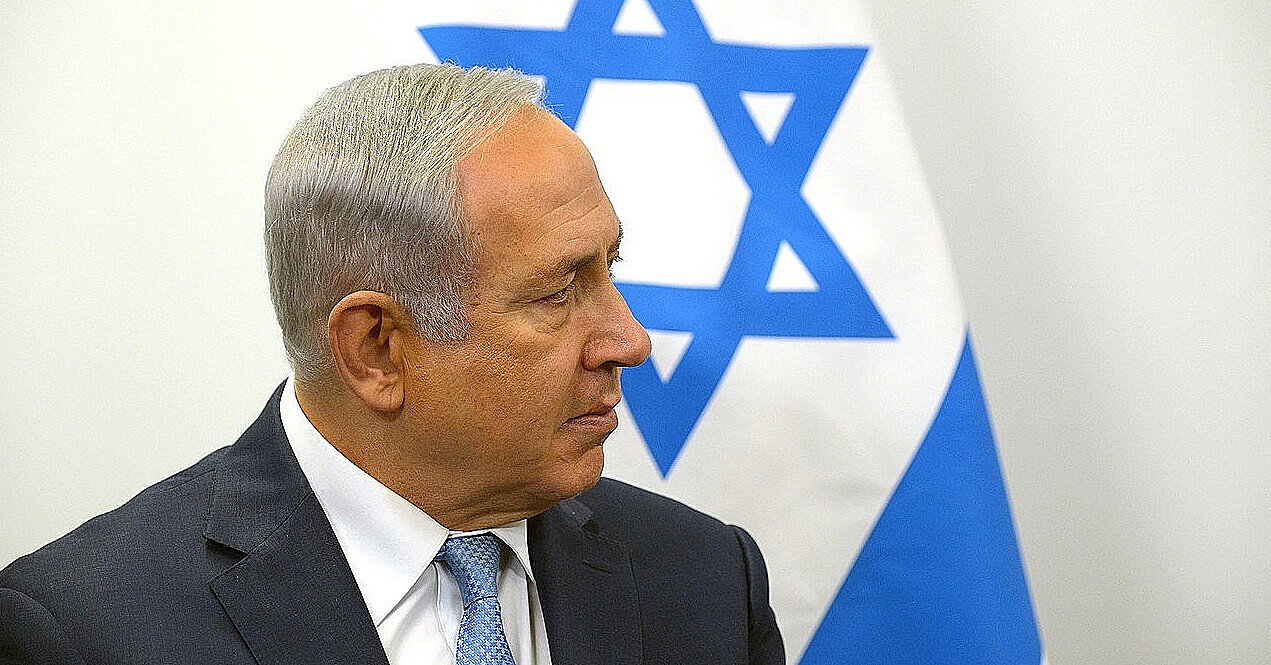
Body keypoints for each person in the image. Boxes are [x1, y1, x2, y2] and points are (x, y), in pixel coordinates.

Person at [0, 64, 784, 664]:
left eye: (610, 268)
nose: (630, 340)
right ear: (375, 348)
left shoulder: (707, 580)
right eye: (555, 293)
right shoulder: (84, 630)